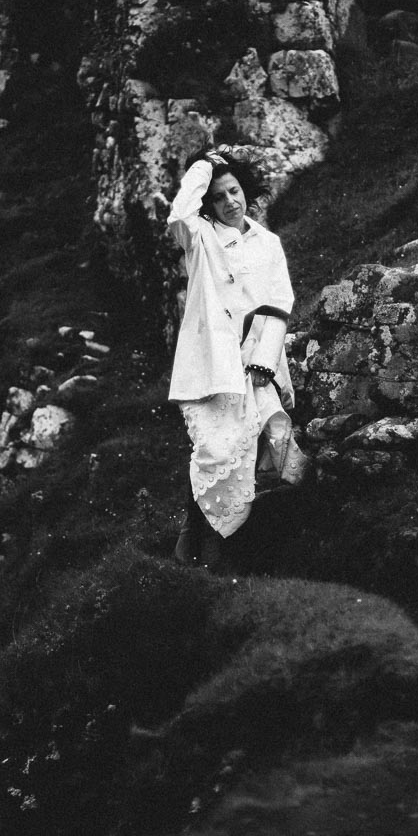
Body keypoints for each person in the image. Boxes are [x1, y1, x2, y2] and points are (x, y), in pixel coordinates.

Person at [160, 150, 307, 568]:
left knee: (252, 450)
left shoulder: (268, 243)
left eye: (235, 190)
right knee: (212, 447)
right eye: (219, 196)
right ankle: (197, 533)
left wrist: (264, 360)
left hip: (257, 364)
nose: (230, 201)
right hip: (211, 363)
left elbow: (280, 301)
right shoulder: (200, 237)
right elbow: (177, 215)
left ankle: (224, 548)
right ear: (208, 203)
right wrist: (204, 164)